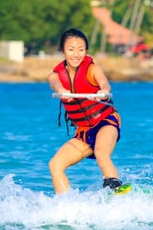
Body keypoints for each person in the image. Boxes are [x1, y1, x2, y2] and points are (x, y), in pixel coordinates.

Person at [48, 28, 123, 194]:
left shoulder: (92, 69)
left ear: (86, 51)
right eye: (71, 49)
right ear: (62, 50)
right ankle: (67, 206)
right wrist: (62, 90)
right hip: (84, 131)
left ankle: (118, 196)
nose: (76, 54)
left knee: (101, 152)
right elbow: (55, 84)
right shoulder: (56, 75)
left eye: (81, 50)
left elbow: (105, 84)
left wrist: (103, 91)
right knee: (55, 165)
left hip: (106, 121)